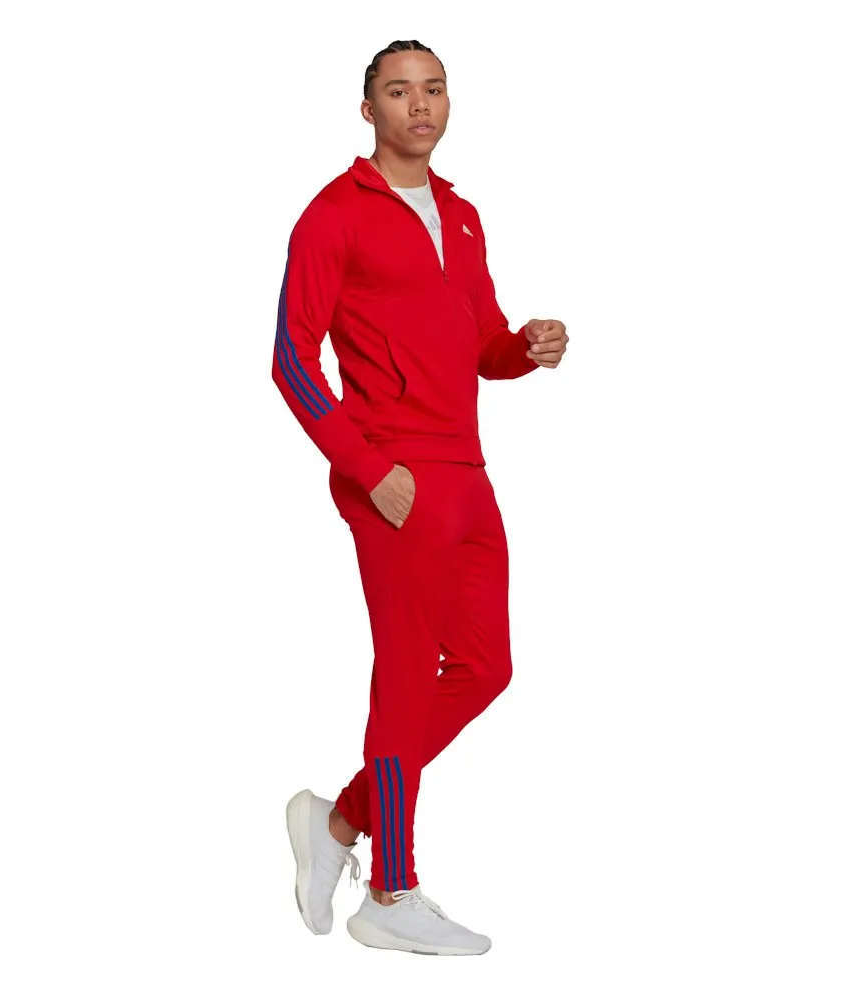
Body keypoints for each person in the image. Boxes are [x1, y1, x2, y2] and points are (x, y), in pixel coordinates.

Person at [274, 39, 568, 956]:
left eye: (434, 89)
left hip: (467, 471)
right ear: (369, 110)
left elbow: (481, 344)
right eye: (399, 91)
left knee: (485, 667)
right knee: (405, 675)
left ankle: (337, 821)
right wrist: (369, 469)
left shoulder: (463, 216)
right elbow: (291, 360)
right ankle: (390, 892)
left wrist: (525, 347)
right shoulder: (333, 215)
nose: (420, 105)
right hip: (394, 478)